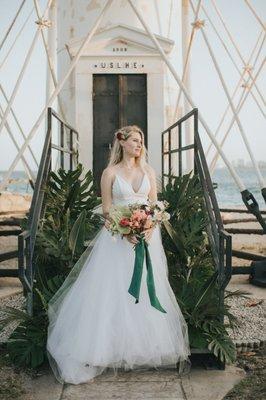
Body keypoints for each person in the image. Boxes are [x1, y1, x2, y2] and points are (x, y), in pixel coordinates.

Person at [46, 125, 191, 385]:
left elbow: (155, 206)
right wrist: (125, 231)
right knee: (113, 291)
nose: (139, 144)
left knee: (147, 288)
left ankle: (138, 347)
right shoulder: (110, 173)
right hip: (117, 239)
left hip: (147, 238)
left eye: (141, 140)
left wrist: (149, 227)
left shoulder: (148, 171)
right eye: (135, 140)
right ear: (121, 143)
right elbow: (107, 209)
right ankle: (104, 348)